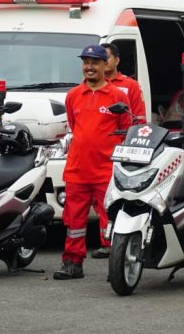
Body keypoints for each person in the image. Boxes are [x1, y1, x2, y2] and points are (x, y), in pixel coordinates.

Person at [54, 45, 129, 280]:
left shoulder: (118, 96)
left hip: (106, 170)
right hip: (77, 170)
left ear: (105, 65)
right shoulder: (73, 95)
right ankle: (72, 263)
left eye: (94, 62)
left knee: (111, 220)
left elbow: (125, 131)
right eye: (86, 62)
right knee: (74, 222)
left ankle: (116, 268)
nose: (89, 67)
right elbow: (75, 127)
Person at [87, 42, 147, 259]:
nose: (101, 62)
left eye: (106, 58)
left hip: (117, 153)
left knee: (110, 199)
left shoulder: (128, 86)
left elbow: (138, 119)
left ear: (116, 60)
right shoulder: (87, 87)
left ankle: (111, 243)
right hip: (91, 155)